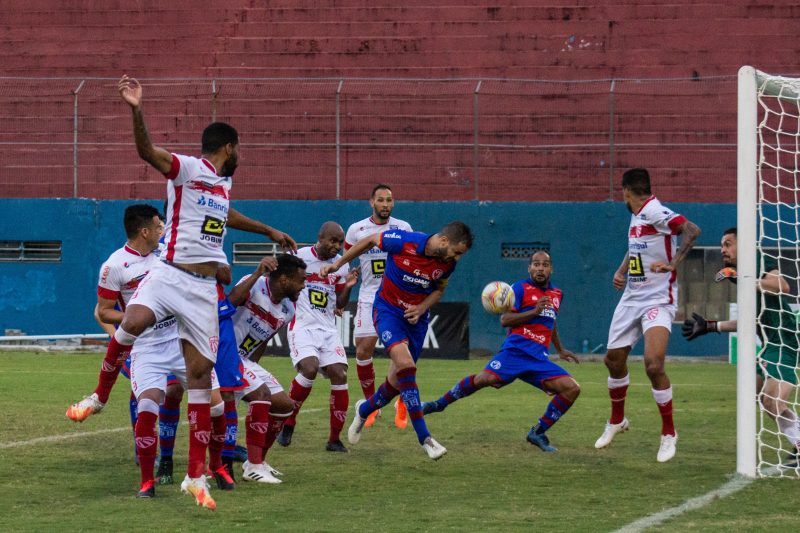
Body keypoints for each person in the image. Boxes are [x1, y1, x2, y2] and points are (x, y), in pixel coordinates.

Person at [68, 75, 296, 510]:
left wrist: (267, 228)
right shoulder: (189, 169)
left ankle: (195, 476)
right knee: (131, 322)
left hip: (203, 291)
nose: (240, 156)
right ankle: (99, 396)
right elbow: (147, 153)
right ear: (229, 147)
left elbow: (226, 214)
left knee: (198, 380)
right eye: (239, 149)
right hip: (168, 274)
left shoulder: (222, 186)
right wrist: (136, 109)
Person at [321, 221, 473, 460]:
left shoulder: (448, 263)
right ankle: (425, 438)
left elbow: (439, 290)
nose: (458, 258)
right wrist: (338, 264)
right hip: (387, 312)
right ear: (444, 241)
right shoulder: (405, 240)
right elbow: (371, 240)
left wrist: (422, 307)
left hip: (416, 321)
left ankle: (365, 409)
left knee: (394, 385)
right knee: (406, 365)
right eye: (457, 252)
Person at [422, 251, 580, 451]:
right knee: (483, 380)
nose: (540, 268)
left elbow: (551, 321)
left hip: (538, 358)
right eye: (536, 264)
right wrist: (533, 311)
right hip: (515, 352)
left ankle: (538, 432)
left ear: (551, 269)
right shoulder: (519, 289)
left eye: (545, 264)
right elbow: (505, 320)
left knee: (572, 389)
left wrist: (561, 349)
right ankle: (438, 404)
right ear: (529, 268)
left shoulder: (557, 293)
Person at [594, 168, 700, 463]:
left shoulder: (654, 210)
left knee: (653, 365)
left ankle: (669, 433)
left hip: (657, 300)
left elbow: (692, 230)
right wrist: (621, 270)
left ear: (626, 190)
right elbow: (636, 247)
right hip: (632, 297)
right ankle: (617, 421)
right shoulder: (637, 214)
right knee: (612, 360)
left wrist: (673, 264)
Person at [682, 227, 800, 466]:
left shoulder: (757, 261)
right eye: (722, 245)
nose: (723, 250)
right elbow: (749, 320)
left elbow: (783, 285)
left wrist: (747, 281)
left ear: (741, 244)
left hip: (785, 342)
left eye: (727, 244)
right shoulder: (740, 274)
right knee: (759, 396)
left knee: (772, 402)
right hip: (771, 344)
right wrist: (710, 326)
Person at [226, 253, 307, 483]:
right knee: (262, 395)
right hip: (225, 353)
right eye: (300, 281)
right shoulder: (254, 285)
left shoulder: (288, 309)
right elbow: (231, 301)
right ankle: (252, 468)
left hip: (245, 359)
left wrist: (253, 370)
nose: (303, 286)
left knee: (284, 406)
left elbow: (263, 340)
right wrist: (258, 272)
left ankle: (257, 461)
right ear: (283, 280)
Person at [277, 222, 357, 452]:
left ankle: (334, 439)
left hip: (328, 330)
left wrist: (349, 286)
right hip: (302, 326)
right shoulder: (299, 257)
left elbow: (339, 303)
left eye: (340, 242)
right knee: (309, 369)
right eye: (332, 240)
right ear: (320, 237)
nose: (336, 246)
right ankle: (289, 421)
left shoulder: (341, 265)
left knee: (340, 374)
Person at [345, 184, 413, 429]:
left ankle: (402, 401)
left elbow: (411, 259)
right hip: (368, 297)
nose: (386, 204)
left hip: (397, 297)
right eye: (381, 200)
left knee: (402, 352)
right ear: (371, 202)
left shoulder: (403, 228)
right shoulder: (356, 230)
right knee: (363, 350)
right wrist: (344, 283)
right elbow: (345, 260)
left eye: (389, 200)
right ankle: (370, 403)